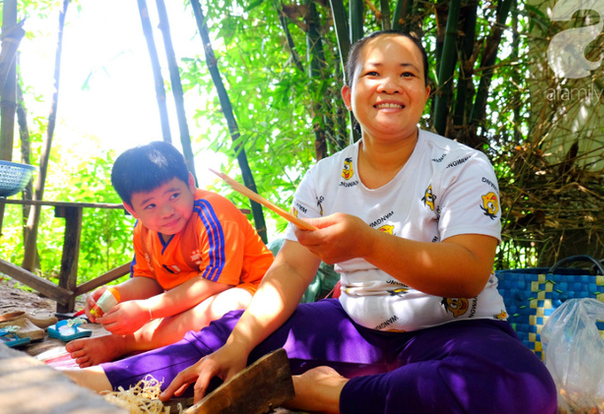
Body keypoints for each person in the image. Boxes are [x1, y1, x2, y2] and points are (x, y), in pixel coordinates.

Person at [65, 31, 557, 414]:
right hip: (354, 327)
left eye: (407, 74)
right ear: (349, 95)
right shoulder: (323, 176)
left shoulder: (464, 165)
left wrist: (367, 242)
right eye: (373, 74)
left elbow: (468, 273)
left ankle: (321, 395)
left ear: (426, 92)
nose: (389, 84)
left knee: (520, 388)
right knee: (236, 330)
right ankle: (110, 379)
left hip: (455, 329)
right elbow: (290, 273)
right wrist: (239, 345)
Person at [65, 141, 274, 367]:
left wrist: (147, 310)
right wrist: (116, 294)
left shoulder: (213, 213)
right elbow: (149, 280)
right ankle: (132, 341)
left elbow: (217, 283)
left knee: (229, 304)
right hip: (192, 302)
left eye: (173, 196)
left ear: (190, 183)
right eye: (150, 206)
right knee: (181, 310)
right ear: (132, 209)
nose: (166, 212)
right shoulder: (143, 230)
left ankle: (123, 343)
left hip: (255, 293)